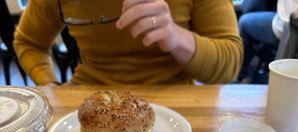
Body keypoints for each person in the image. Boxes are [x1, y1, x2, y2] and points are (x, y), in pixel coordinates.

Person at [13, 0, 243, 85]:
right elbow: (29, 42)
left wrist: (175, 37)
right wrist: (49, 86)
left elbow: (230, 64)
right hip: (88, 94)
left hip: (177, 100)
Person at [238, 0, 298, 81]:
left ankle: (240, 77)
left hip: (288, 28)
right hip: (294, 28)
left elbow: (247, 6)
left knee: (243, 22)